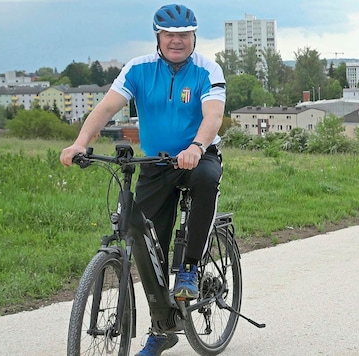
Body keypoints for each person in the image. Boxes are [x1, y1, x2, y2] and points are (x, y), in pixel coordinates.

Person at [59, 4, 225, 355]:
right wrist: (80, 143)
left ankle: (191, 268)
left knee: (207, 178)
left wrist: (197, 145)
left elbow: (213, 115)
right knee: (147, 242)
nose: (176, 41)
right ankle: (163, 328)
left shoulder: (207, 70)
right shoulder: (138, 68)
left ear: (194, 36)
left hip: (197, 155)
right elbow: (105, 108)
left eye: (183, 34)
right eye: (169, 35)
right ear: (158, 38)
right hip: (154, 163)